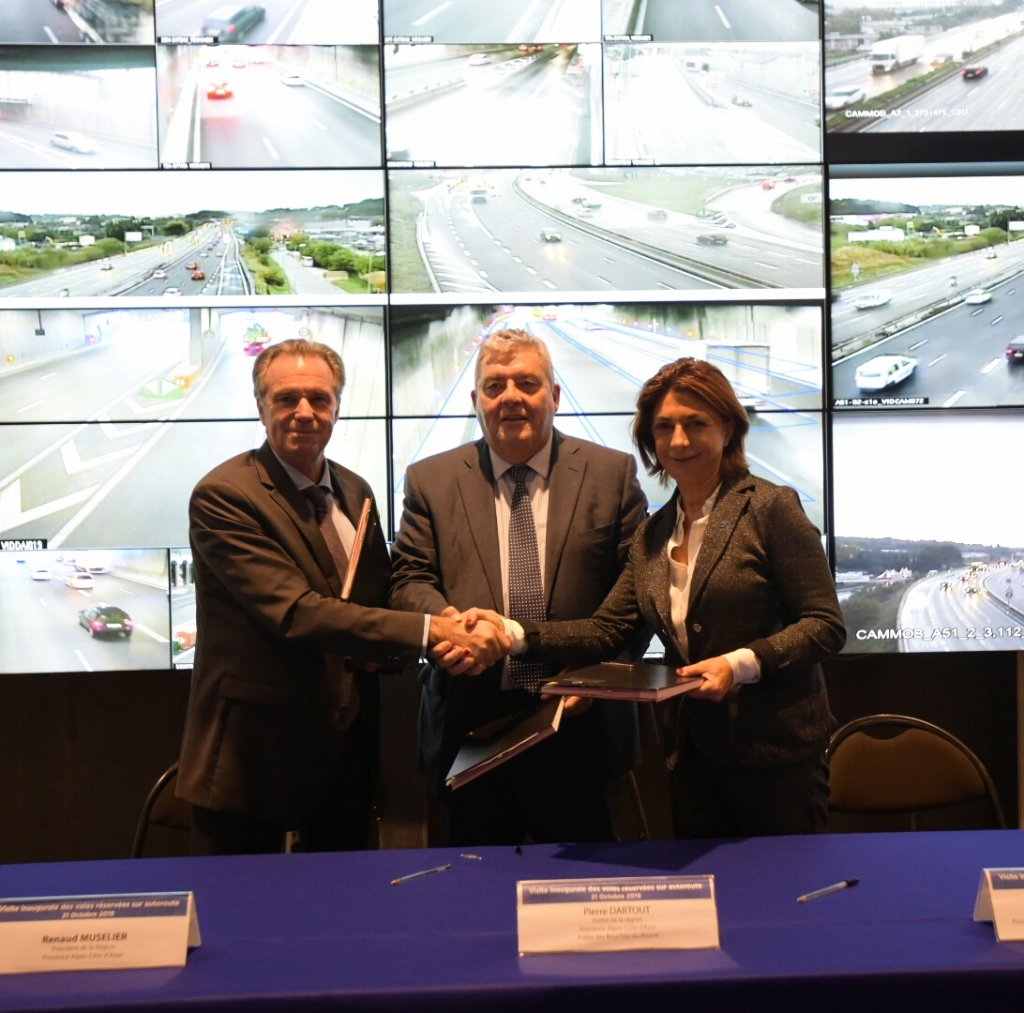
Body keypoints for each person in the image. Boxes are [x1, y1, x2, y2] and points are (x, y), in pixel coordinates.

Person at [468, 356, 845, 838]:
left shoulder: (770, 507)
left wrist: (741, 664)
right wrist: (512, 633)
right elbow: (606, 630)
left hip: (778, 761)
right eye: (664, 428)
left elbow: (824, 624)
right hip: (692, 757)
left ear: (727, 428)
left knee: (782, 903)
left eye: (695, 424)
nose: (679, 441)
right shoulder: (654, 534)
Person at [176, 339, 507, 856]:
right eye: (287, 399)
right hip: (255, 757)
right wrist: (432, 632)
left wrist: (448, 619)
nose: (304, 412)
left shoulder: (355, 490)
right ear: (261, 406)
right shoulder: (225, 495)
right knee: (238, 921)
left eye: (319, 399)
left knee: (341, 914)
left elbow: (382, 596)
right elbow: (296, 612)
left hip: (346, 749)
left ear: (337, 407)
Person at [389, 329, 648, 846]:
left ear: (553, 396)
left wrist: (590, 680)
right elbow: (409, 580)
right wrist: (453, 633)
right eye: (494, 386)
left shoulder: (610, 474)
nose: (510, 397)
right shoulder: (431, 480)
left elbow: (637, 599)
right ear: (476, 402)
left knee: (583, 908)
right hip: (471, 727)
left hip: (582, 727)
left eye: (527, 383)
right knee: (471, 904)